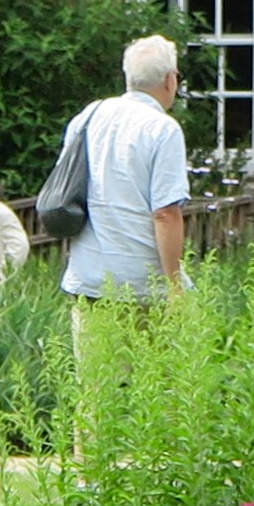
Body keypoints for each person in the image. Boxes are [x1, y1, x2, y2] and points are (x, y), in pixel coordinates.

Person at [57, 36, 194, 305]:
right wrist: (175, 288)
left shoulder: (87, 117)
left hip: (87, 276)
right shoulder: (163, 129)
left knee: (94, 349)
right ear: (170, 80)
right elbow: (165, 213)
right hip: (142, 284)